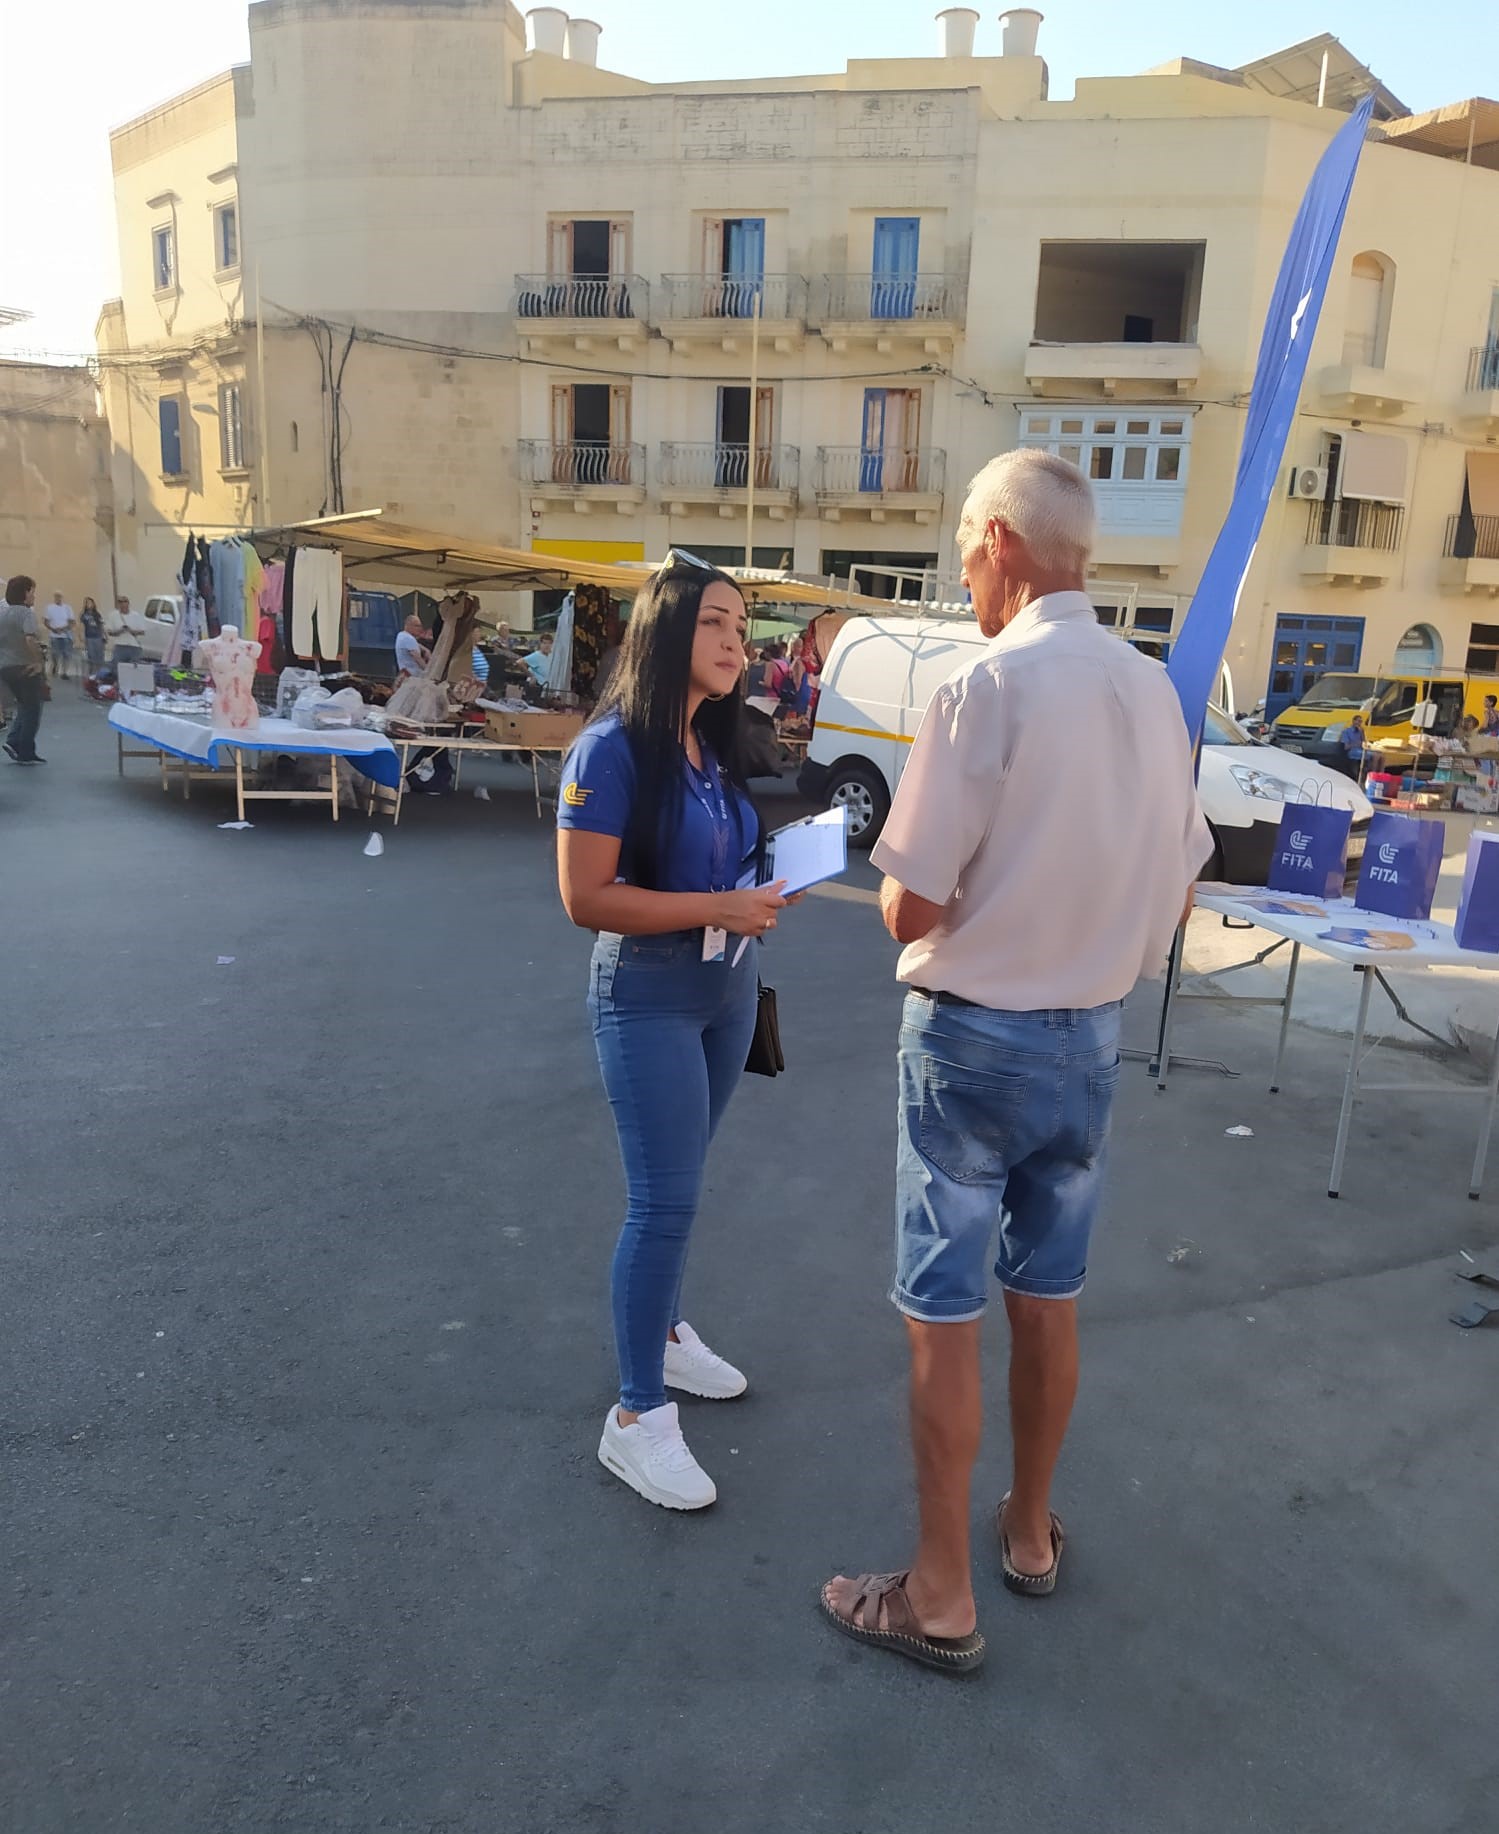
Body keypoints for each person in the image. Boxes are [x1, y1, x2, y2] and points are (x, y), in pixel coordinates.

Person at [819, 449, 1210, 1673]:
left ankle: (938, 1594)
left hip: (972, 1041)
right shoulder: (1152, 694)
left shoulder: (983, 683)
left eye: (962, 545)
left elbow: (906, 904)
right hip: (1089, 1036)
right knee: (1048, 1293)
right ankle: (1028, 1534)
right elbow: (1180, 866)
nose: (959, 568)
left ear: (998, 540)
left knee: (943, 1315)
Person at [556, 553, 794, 1512]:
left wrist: (764, 886)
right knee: (661, 1204)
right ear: (665, 632)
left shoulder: (714, 746)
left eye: (742, 628)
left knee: (682, 1192)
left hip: (725, 994)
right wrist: (717, 906)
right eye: (714, 623)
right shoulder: (610, 750)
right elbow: (585, 897)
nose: (736, 641)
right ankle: (636, 1420)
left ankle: (660, 1336)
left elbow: (719, 863)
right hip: (648, 996)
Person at [1, 575, 48, 764]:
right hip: (24, 666)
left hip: (4, 666)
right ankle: (25, 750)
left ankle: (14, 741)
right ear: (25, 592)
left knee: (23, 705)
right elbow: (30, 638)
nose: (34, 597)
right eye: (32, 592)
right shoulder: (26, 613)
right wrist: (38, 661)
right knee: (33, 708)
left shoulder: (1, 612)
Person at [44, 591, 76, 679]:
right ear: (54, 598)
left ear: (62, 597)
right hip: (54, 635)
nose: (58, 598)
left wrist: (62, 629)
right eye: (56, 596)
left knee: (66, 654)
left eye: (60, 596)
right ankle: (55, 666)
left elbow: (72, 622)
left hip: (66, 635)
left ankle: (64, 672)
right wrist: (53, 629)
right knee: (55, 654)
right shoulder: (50, 608)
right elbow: (46, 622)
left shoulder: (67, 608)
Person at [110, 597, 146, 663]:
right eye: (121, 602)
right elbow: (110, 632)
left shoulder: (136, 615)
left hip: (134, 646)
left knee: (134, 668)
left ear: (128, 603)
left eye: (125, 602)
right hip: (120, 646)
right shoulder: (113, 615)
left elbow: (142, 631)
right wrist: (120, 631)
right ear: (118, 604)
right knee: (117, 667)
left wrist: (131, 630)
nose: (123, 604)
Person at [394, 613, 429, 680]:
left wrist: (425, 650)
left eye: (420, 626)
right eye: (417, 626)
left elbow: (414, 645)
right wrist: (428, 670)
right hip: (413, 677)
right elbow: (416, 657)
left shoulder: (401, 635)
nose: (420, 628)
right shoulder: (409, 638)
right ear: (408, 625)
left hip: (405, 674)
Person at [80, 598, 106, 675]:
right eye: (87, 603)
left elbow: (101, 625)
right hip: (89, 638)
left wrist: (105, 635)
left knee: (100, 657)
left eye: (91, 603)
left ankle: (100, 674)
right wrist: (81, 636)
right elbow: (81, 626)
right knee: (91, 657)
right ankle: (92, 674)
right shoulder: (84, 615)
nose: (89, 604)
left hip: (98, 637)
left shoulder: (97, 614)